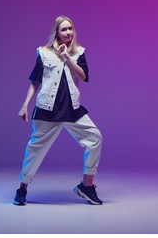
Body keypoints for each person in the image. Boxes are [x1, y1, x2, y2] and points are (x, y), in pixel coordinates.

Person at [14, 16, 103, 206]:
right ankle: (22, 188)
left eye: (70, 28)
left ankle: (86, 186)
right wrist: (25, 105)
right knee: (35, 149)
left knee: (95, 138)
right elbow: (35, 81)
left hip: (72, 109)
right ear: (56, 32)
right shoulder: (43, 52)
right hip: (48, 109)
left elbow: (83, 76)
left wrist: (67, 57)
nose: (69, 33)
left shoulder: (79, 52)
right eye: (64, 29)